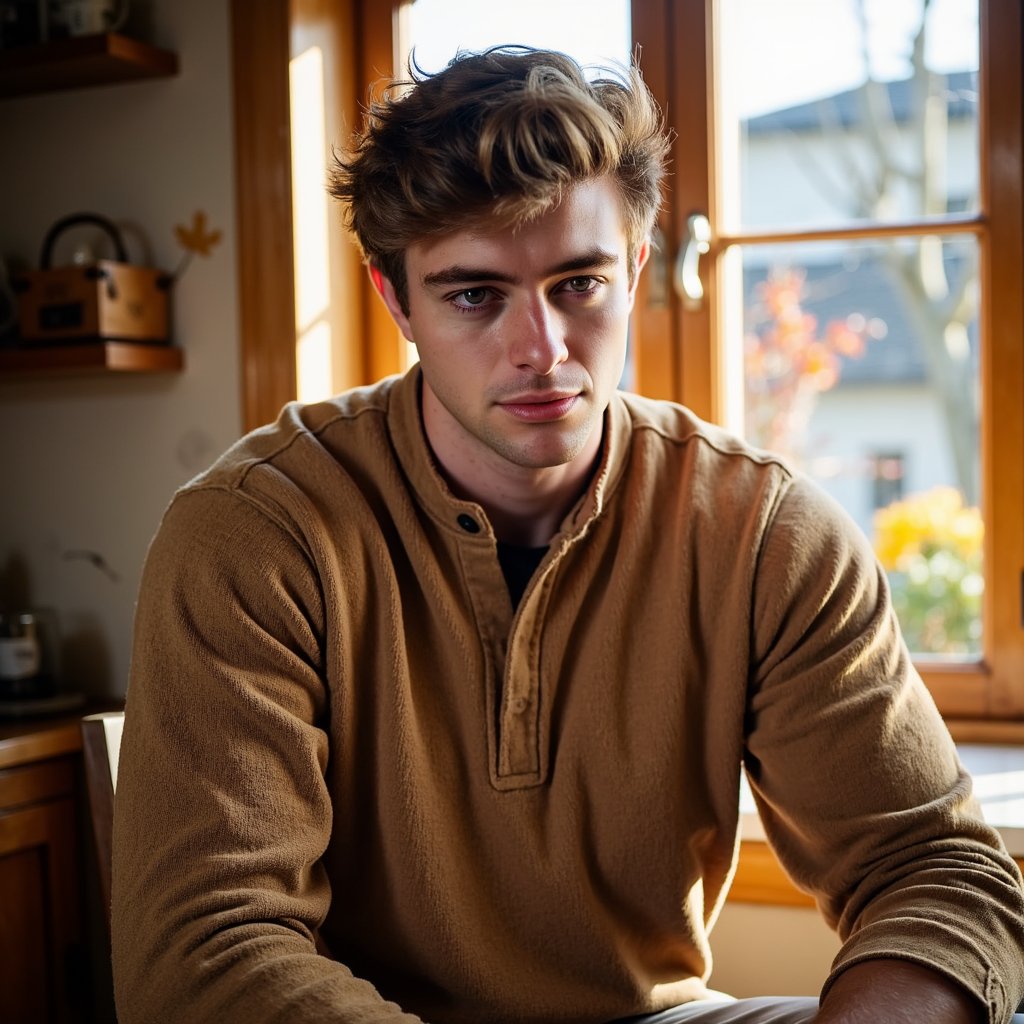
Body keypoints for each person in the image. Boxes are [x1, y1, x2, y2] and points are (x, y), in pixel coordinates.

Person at [110, 45, 1024, 1024]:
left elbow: (936, 872)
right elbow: (208, 950)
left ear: (634, 267)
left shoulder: (763, 532)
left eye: (578, 284)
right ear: (394, 300)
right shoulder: (255, 532)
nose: (541, 351)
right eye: (475, 294)